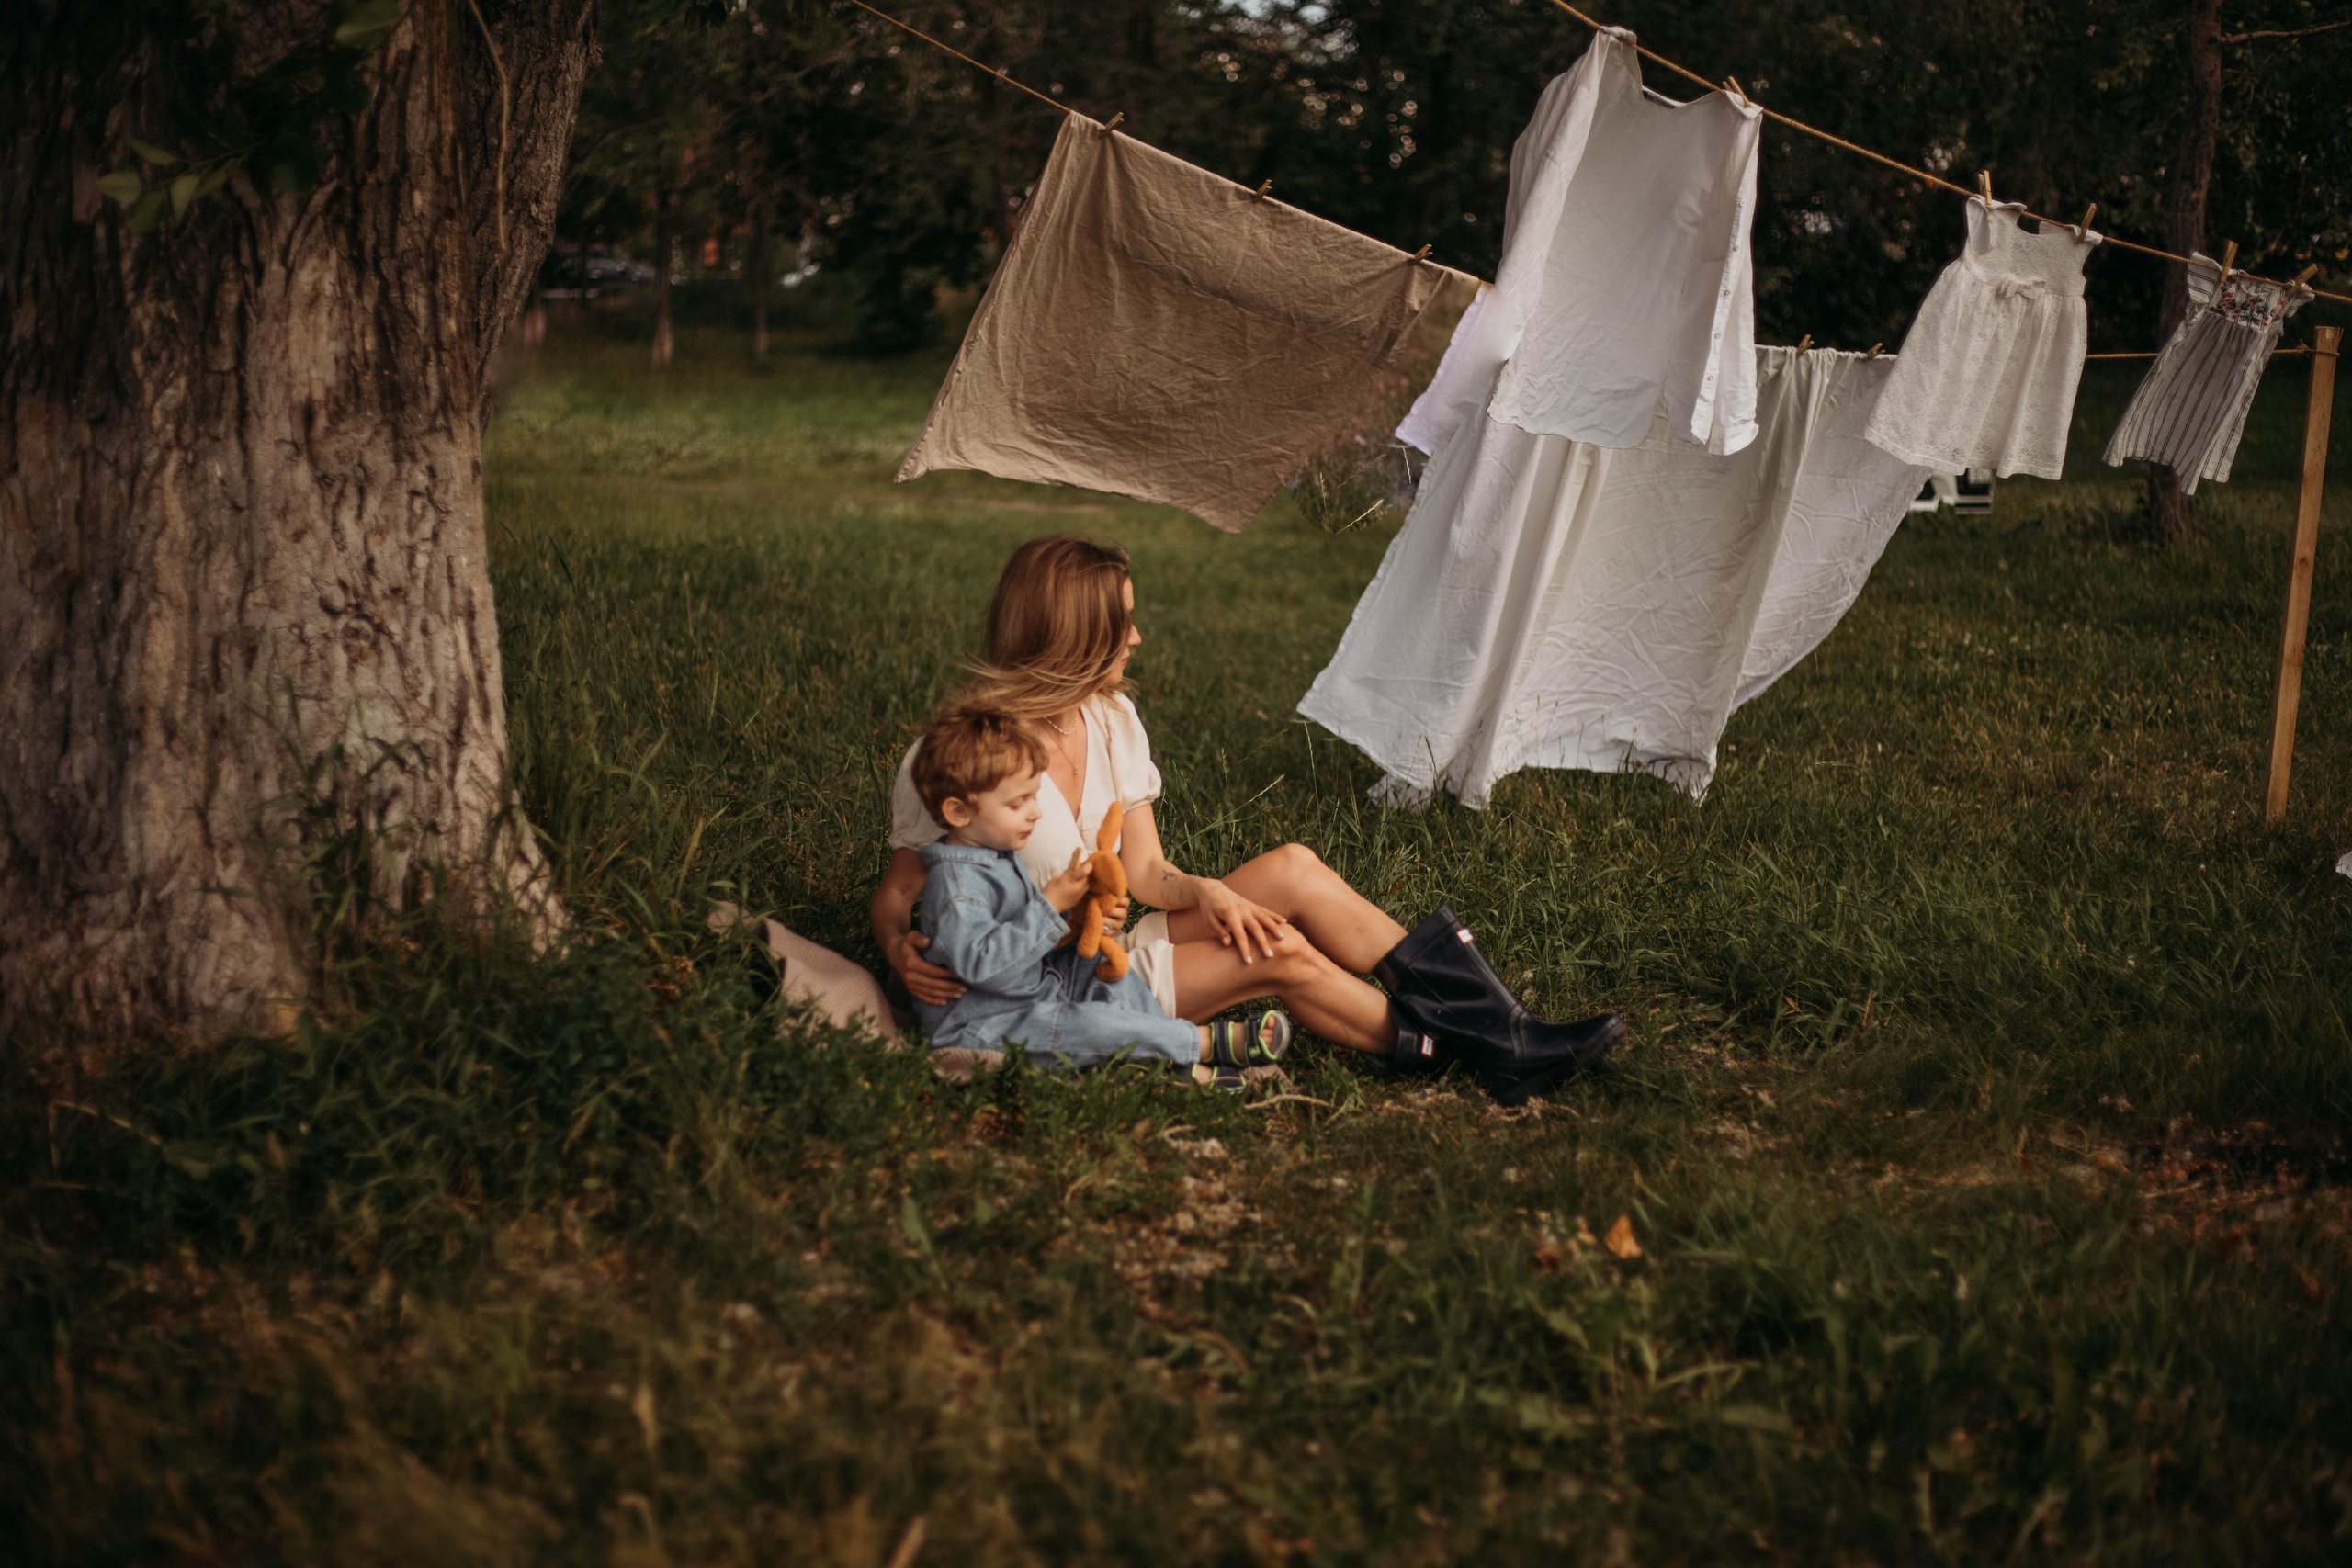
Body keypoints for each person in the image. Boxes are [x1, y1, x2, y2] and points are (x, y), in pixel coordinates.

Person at [870, 536, 1622, 1105]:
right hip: (1061, 986)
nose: (1137, 638)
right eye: (1121, 622)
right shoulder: (963, 761)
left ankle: (1505, 1026)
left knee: (1292, 867)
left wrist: (1207, 890)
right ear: (1071, 633)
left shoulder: (1111, 719)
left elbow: (1144, 871)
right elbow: (900, 890)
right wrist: (900, 950)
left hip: (1114, 943)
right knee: (1278, 950)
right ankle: (1471, 1051)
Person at [906, 707, 1290, 1084]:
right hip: (984, 1023)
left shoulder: (993, 853)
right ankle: (1202, 1045)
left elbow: (1020, 934)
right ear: (959, 812)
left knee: (1106, 972)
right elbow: (984, 967)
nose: (1035, 813)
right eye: (1017, 803)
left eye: (1034, 797)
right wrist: (1050, 905)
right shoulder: (956, 887)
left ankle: (1171, 1061)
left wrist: (1077, 916)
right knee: (1082, 1024)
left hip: (1035, 990)